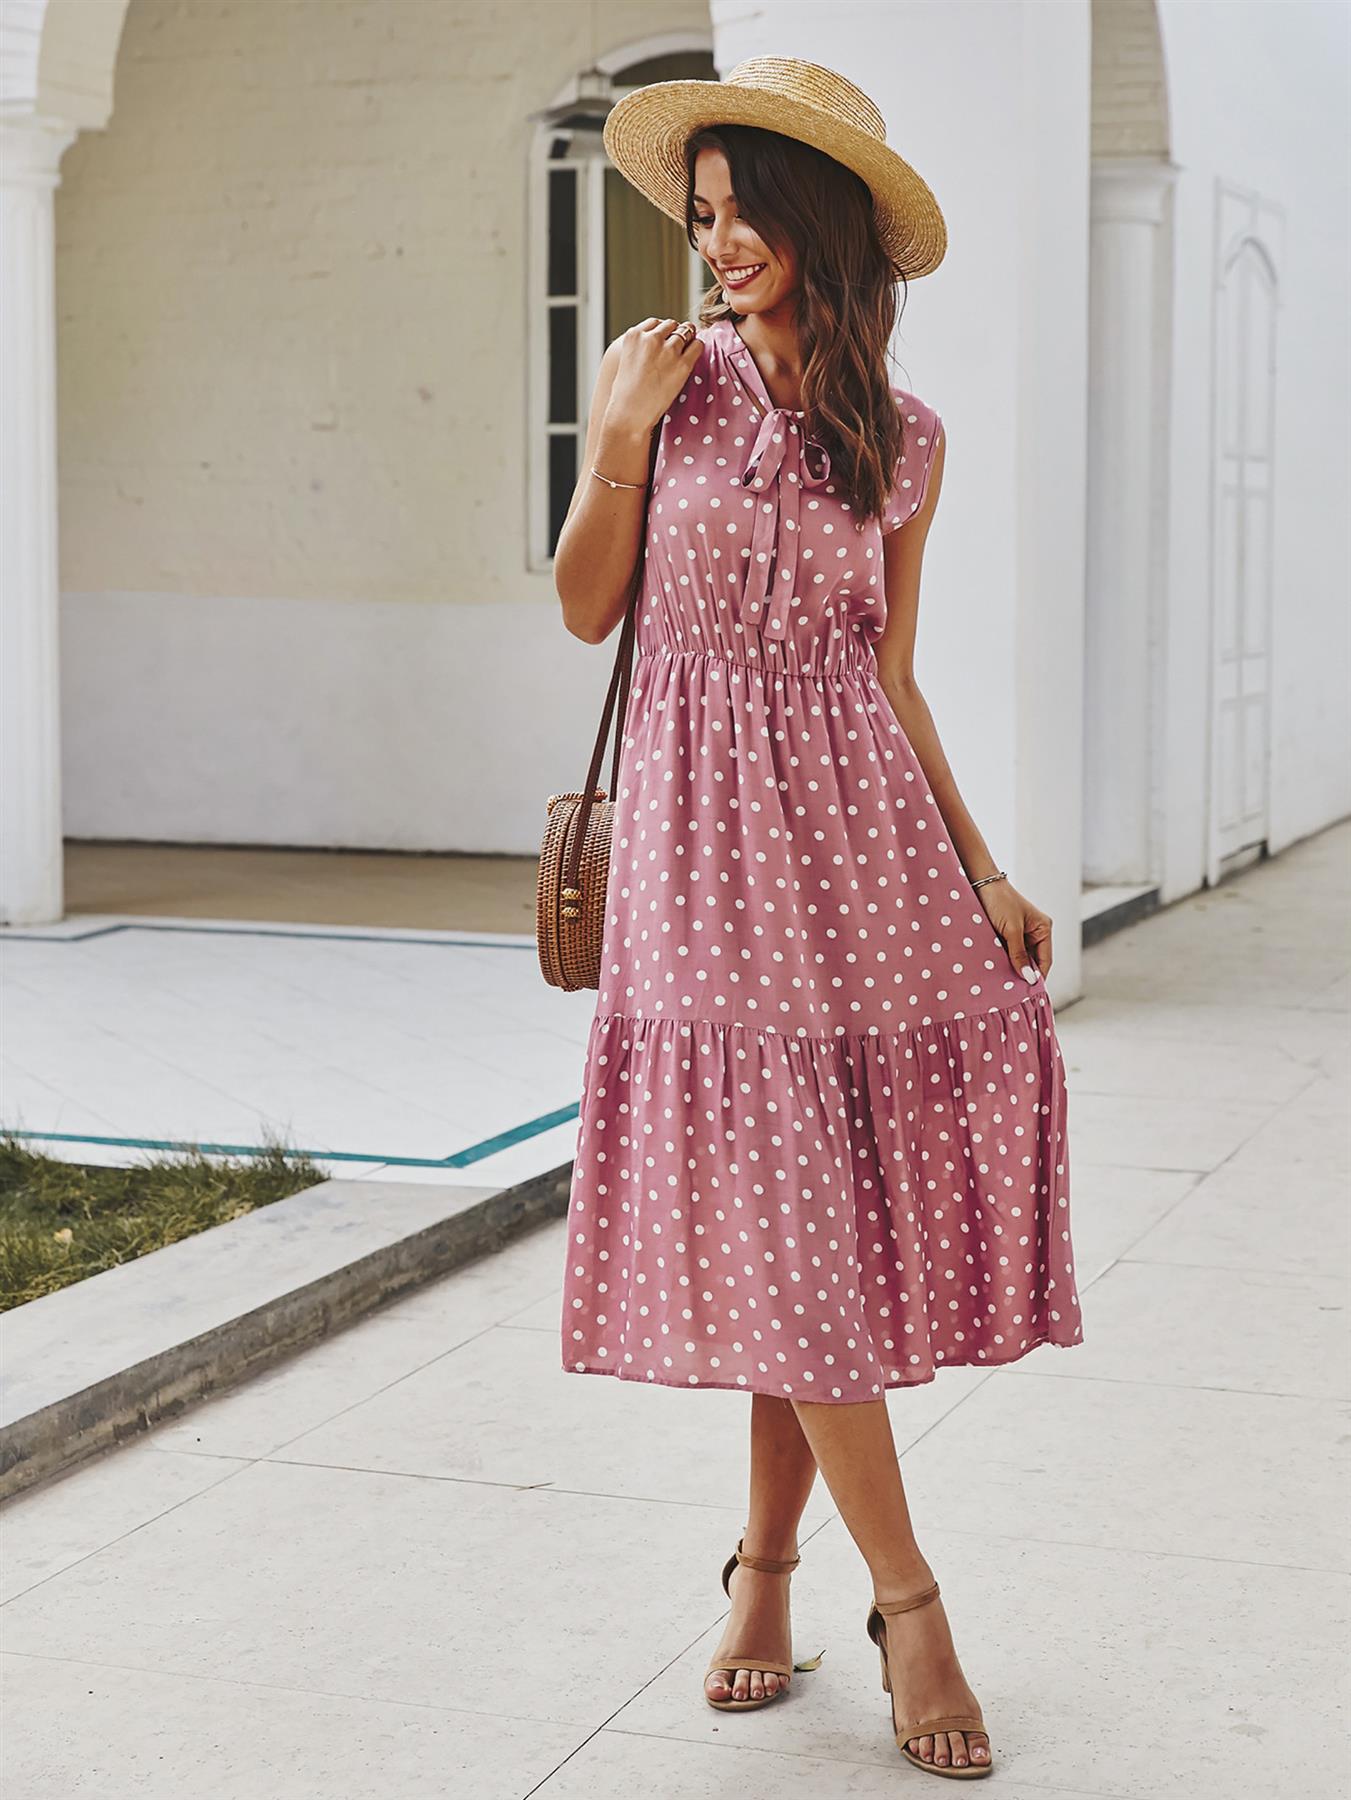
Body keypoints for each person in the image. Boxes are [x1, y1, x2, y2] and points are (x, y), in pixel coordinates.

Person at [552, 57, 1084, 1782]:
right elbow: (582, 613)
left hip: (856, 844)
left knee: (817, 1227)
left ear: (818, 218)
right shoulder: (660, 386)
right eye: (696, 216)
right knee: (789, 1206)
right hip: (706, 860)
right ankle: (908, 1594)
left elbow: (895, 677)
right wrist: (616, 440)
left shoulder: (904, 434)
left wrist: (986, 867)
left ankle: (768, 1568)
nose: (713, 244)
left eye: (739, 213)